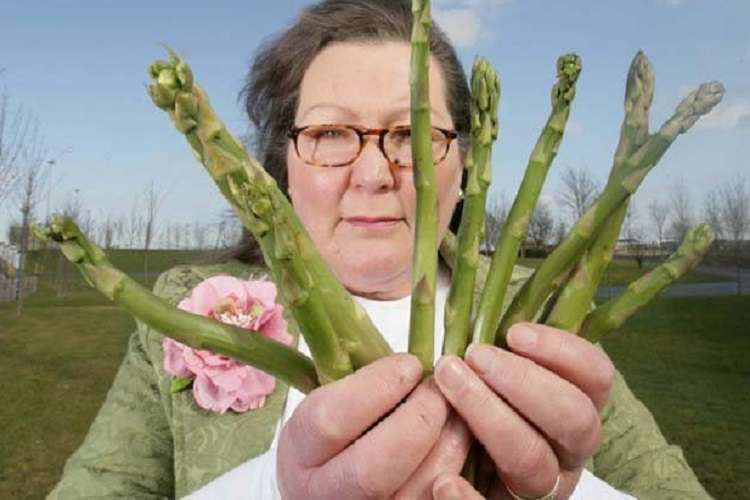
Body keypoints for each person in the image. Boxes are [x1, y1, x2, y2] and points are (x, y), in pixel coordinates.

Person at [49, 1, 711, 499]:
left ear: (465, 166)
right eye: (332, 132)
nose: (373, 174)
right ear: (281, 163)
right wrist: (269, 491)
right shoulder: (181, 306)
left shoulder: (544, 312)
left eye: (411, 134)